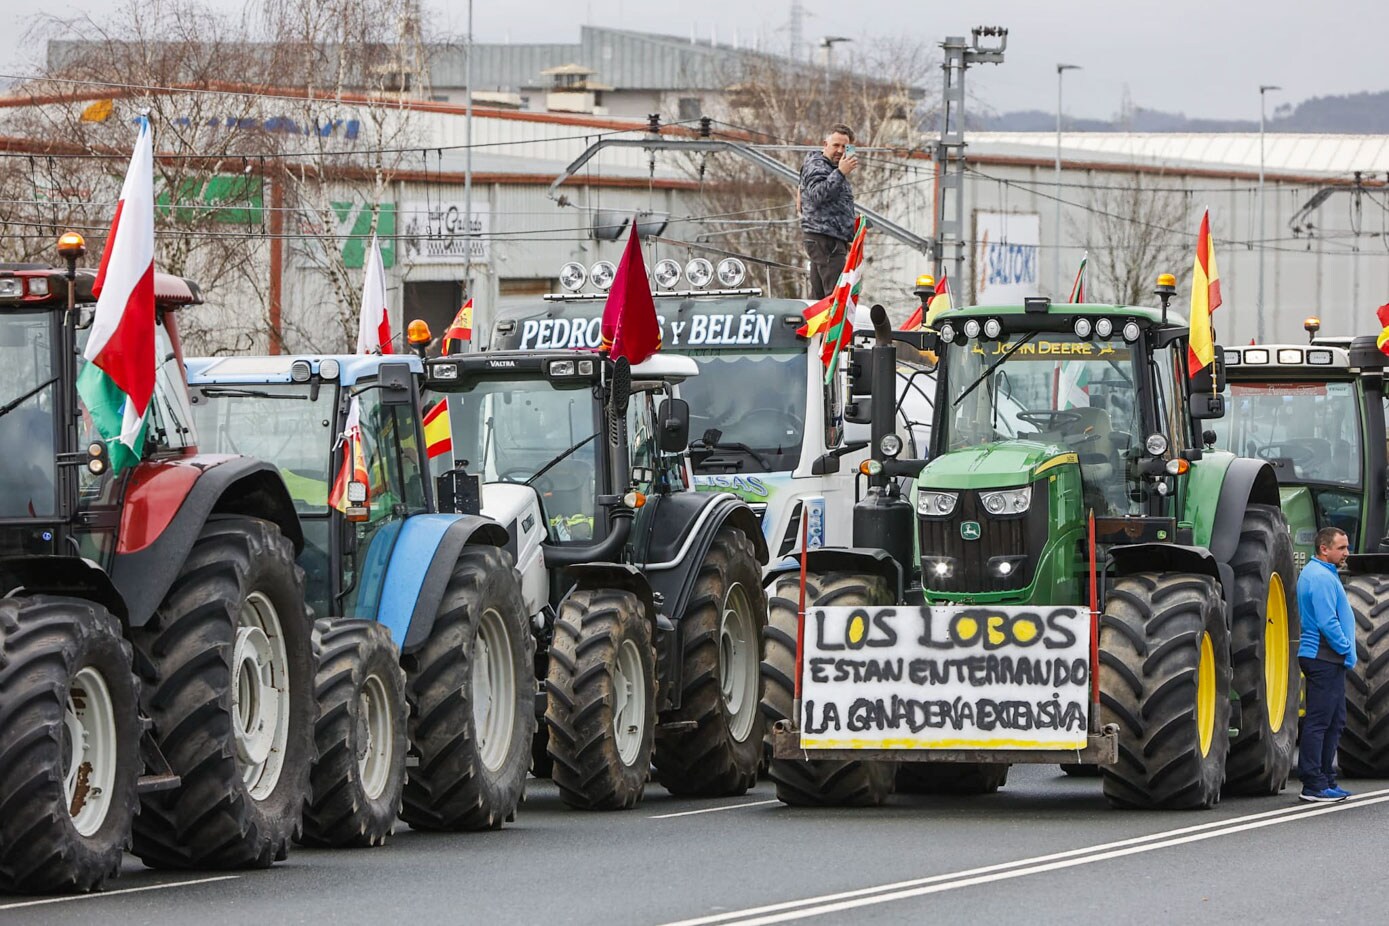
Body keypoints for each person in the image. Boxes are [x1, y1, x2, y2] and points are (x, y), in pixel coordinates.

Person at [1296, 526, 1357, 802]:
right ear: (1324, 549)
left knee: (1335, 720)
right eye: (1341, 548)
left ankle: (1326, 778)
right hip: (1323, 656)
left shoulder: (1323, 574)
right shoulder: (1320, 577)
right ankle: (1314, 784)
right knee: (1320, 722)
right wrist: (1345, 647)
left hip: (1327, 657)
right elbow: (1326, 621)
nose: (1346, 552)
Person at [799, 123, 858, 299]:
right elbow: (818, 195)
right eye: (836, 145)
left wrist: (847, 235)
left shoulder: (828, 167)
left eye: (844, 146)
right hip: (825, 238)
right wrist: (840, 172)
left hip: (828, 238)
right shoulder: (818, 166)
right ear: (825, 144)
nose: (840, 150)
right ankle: (829, 327)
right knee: (835, 297)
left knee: (819, 297)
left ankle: (817, 326)